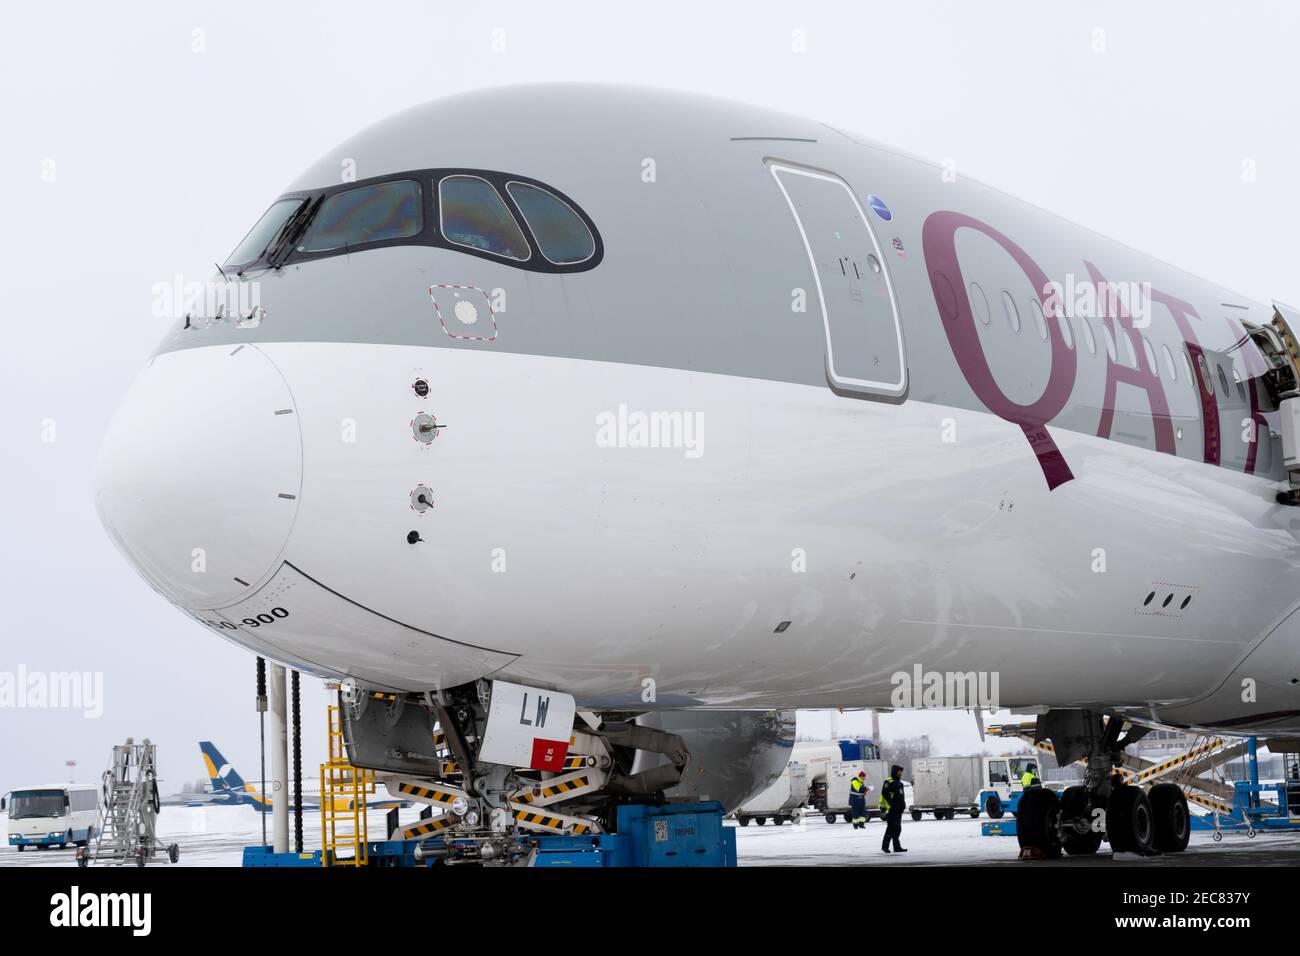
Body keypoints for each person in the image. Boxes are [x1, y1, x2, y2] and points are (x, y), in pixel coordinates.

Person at [879, 764, 907, 853]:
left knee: (897, 828)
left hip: (899, 810)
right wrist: (893, 804)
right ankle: (885, 846)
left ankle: (897, 847)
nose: (900, 773)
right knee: (891, 828)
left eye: (901, 772)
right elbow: (885, 794)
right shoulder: (888, 782)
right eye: (899, 772)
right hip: (891, 810)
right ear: (895, 771)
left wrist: (903, 804)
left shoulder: (900, 783)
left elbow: (901, 795)